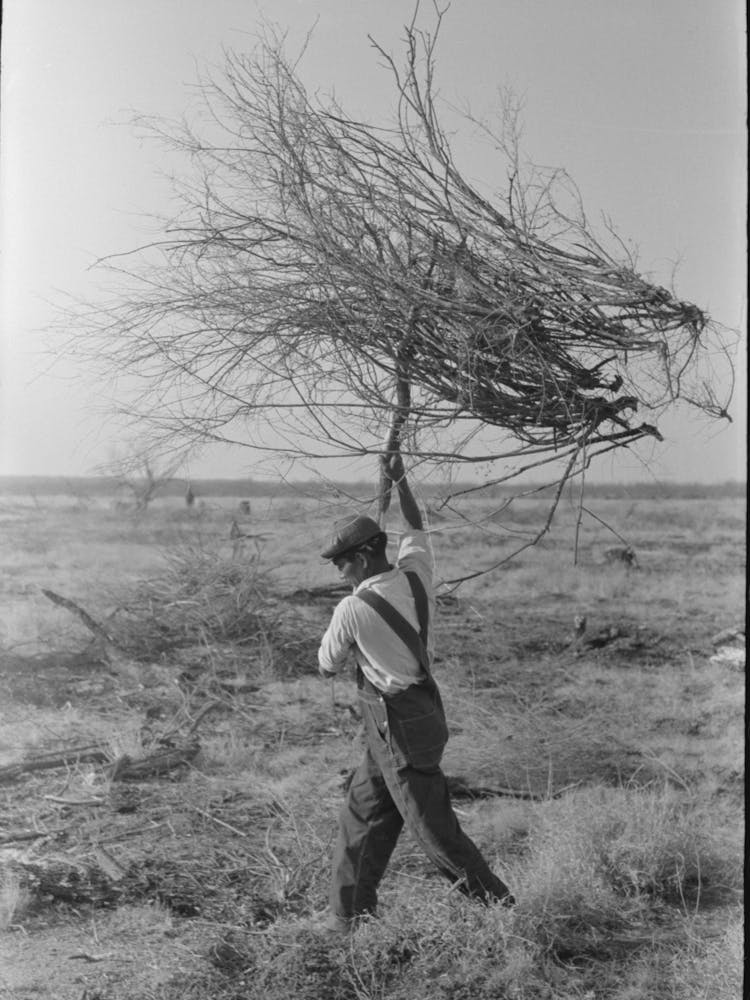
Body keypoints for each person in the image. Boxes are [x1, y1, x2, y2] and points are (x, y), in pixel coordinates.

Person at [314, 454, 514, 934]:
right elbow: (415, 525)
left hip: (394, 729)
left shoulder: (352, 608)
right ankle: (348, 919)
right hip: (423, 716)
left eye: (342, 562)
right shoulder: (416, 575)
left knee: (434, 834)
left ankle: (504, 914)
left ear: (362, 556)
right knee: (361, 815)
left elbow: (325, 666)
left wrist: (350, 637)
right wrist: (398, 474)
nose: (340, 572)